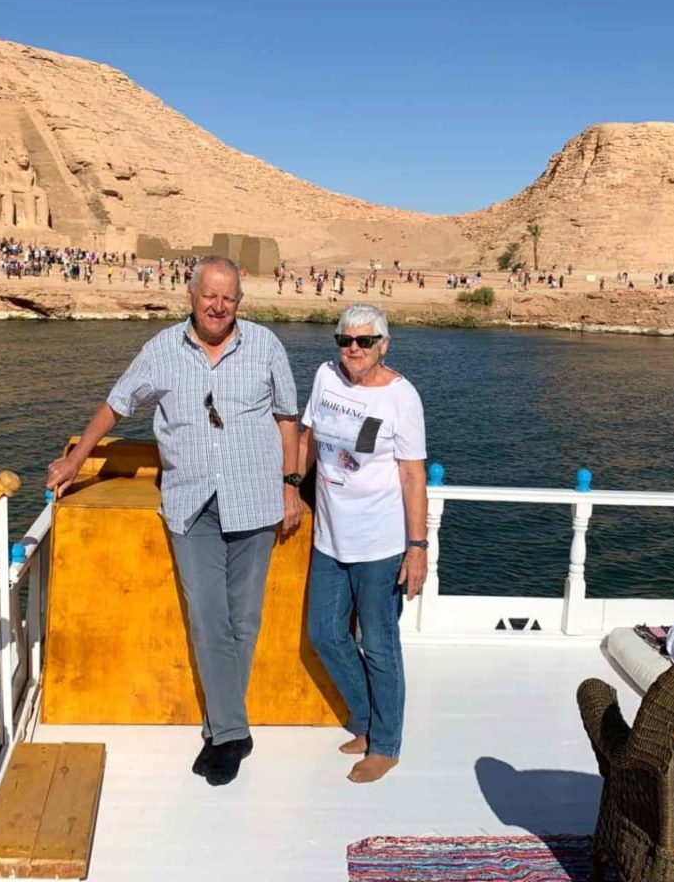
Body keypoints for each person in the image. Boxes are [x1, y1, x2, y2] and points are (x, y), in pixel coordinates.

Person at [46, 255, 302, 787]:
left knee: (244, 620)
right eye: (210, 295)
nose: (218, 305)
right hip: (191, 505)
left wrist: (290, 485)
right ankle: (232, 734)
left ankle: (221, 726)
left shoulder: (265, 346)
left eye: (228, 297)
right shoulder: (162, 349)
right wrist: (77, 458)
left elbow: (286, 420)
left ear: (239, 301)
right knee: (209, 616)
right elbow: (116, 405)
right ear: (191, 294)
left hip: (255, 501)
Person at [298, 303, 427, 783]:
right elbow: (309, 437)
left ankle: (386, 744)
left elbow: (412, 474)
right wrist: (292, 485)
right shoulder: (325, 376)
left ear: (383, 345)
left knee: (379, 644)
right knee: (325, 633)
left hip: (381, 543)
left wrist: (417, 547)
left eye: (364, 341)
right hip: (330, 536)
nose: (353, 349)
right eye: (345, 340)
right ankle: (370, 721)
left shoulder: (401, 397)